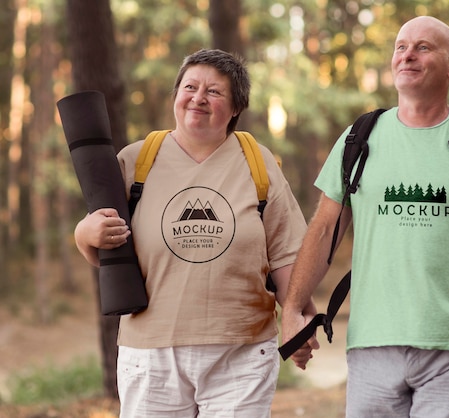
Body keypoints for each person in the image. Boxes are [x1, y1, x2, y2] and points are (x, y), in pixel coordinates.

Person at [281, 16, 449, 418]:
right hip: (372, 345)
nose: (407, 55)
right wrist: (292, 311)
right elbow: (323, 231)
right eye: (400, 46)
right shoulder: (359, 138)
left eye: (423, 47)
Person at [74, 49, 316, 417]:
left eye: (214, 92)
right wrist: (85, 232)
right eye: (190, 86)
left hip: (242, 351)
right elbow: (100, 239)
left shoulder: (257, 161)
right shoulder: (136, 160)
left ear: (236, 107)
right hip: (151, 352)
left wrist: (298, 316)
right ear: (176, 95)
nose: (198, 98)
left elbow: (284, 252)